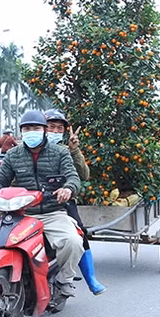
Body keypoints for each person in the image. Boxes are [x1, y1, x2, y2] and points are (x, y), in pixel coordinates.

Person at [0, 110, 84, 297]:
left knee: (73, 241)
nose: (31, 131)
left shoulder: (60, 153)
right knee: (0, 241)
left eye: (36, 128)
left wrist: (68, 188)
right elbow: (0, 180)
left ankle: (64, 279)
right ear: (21, 131)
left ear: (44, 130)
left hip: (52, 212)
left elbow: (73, 177)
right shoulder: (13, 155)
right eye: (27, 128)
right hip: (21, 213)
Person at [45, 108, 105, 295]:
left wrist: (74, 150)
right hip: (31, 201)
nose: (54, 132)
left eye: (58, 128)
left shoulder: (64, 151)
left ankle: (89, 278)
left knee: (78, 232)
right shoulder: (23, 151)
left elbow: (83, 175)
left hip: (61, 201)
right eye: (51, 127)